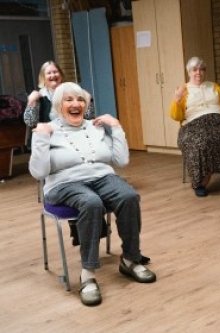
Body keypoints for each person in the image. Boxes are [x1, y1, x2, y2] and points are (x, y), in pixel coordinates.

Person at [29, 82, 156, 306]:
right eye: (69, 100)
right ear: (59, 105)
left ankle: (130, 259)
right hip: (63, 183)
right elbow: (39, 172)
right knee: (91, 203)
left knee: (129, 196)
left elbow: (122, 161)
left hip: (102, 177)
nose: (75, 104)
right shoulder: (48, 130)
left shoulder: (95, 127)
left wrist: (116, 127)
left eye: (80, 100)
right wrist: (40, 139)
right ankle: (87, 275)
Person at [24, 60, 97, 247]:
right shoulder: (39, 97)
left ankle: (87, 225)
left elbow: (89, 118)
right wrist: (31, 101)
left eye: (55, 72)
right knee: (70, 176)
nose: (53, 76)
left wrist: (87, 100)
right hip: (51, 147)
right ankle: (81, 226)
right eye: (48, 73)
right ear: (43, 77)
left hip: (74, 141)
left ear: (61, 74)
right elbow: (30, 122)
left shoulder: (72, 93)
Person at [169, 56, 220, 197]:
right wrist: (176, 100)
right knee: (202, 141)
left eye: (201, 69)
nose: (198, 73)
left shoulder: (214, 86)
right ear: (189, 72)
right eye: (194, 70)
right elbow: (176, 116)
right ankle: (201, 182)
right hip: (195, 125)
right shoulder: (183, 90)